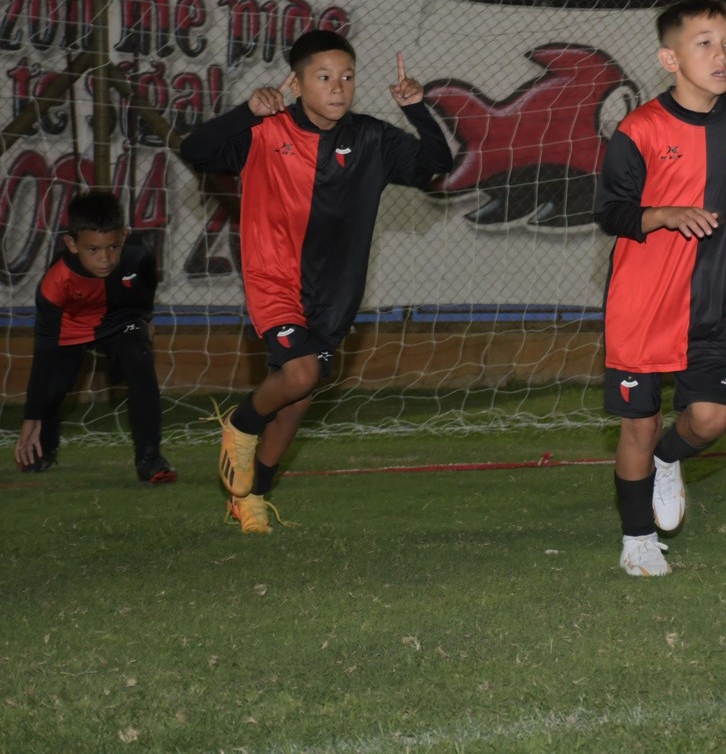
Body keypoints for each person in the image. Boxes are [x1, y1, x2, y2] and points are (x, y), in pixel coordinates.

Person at [179, 29, 453, 533]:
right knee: (300, 376)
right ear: (297, 83)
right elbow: (194, 148)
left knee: (298, 399)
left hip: (337, 293)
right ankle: (239, 425)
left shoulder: (371, 138)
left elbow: (436, 166)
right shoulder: (265, 131)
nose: (338, 87)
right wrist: (247, 112)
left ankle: (251, 498)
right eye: (324, 77)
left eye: (347, 77)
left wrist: (417, 108)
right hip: (275, 278)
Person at [594, 0, 726, 577]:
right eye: (704, 43)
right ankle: (637, 539)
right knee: (638, 425)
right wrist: (665, 215)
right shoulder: (639, 128)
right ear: (669, 59)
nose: (721, 55)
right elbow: (610, 213)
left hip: (706, 306)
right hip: (642, 305)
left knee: (712, 420)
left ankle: (668, 462)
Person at [12, 190, 176, 483]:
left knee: (140, 363)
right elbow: (44, 353)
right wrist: (31, 415)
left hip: (119, 321)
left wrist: (144, 318)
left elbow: (145, 286)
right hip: (71, 327)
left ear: (124, 236)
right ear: (71, 244)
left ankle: (149, 458)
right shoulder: (54, 283)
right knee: (54, 389)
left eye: (113, 247)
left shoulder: (139, 255)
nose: (105, 259)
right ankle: (44, 448)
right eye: (93, 250)